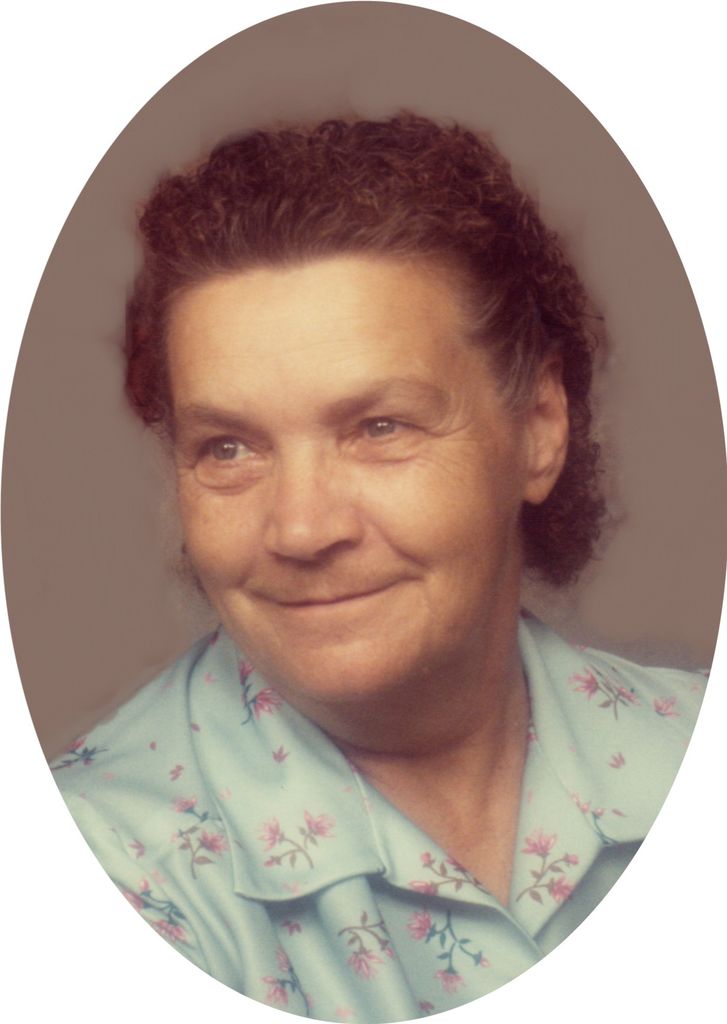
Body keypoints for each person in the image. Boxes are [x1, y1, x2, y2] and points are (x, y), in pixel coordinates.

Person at [51, 114, 705, 1022]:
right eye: (229, 447)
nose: (301, 527)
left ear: (538, 428)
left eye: (379, 428)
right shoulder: (91, 873)